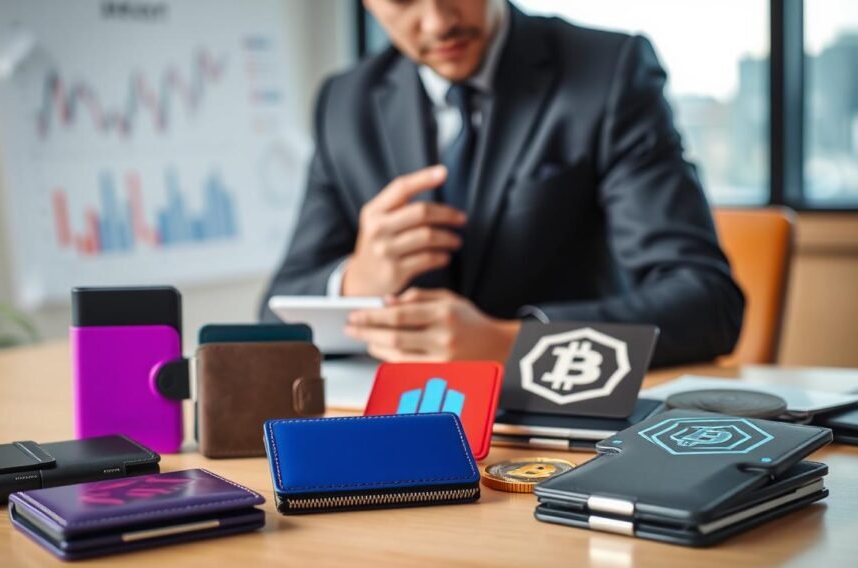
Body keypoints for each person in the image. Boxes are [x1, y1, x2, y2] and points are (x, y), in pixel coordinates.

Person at [260, 0, 744, 367]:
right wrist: (355, 281)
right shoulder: (346, 102)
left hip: (566, 437)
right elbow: (270, 321)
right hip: (402, 430)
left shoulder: (608, 71)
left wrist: (510, 344)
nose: (437, 22)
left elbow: (706, 305)